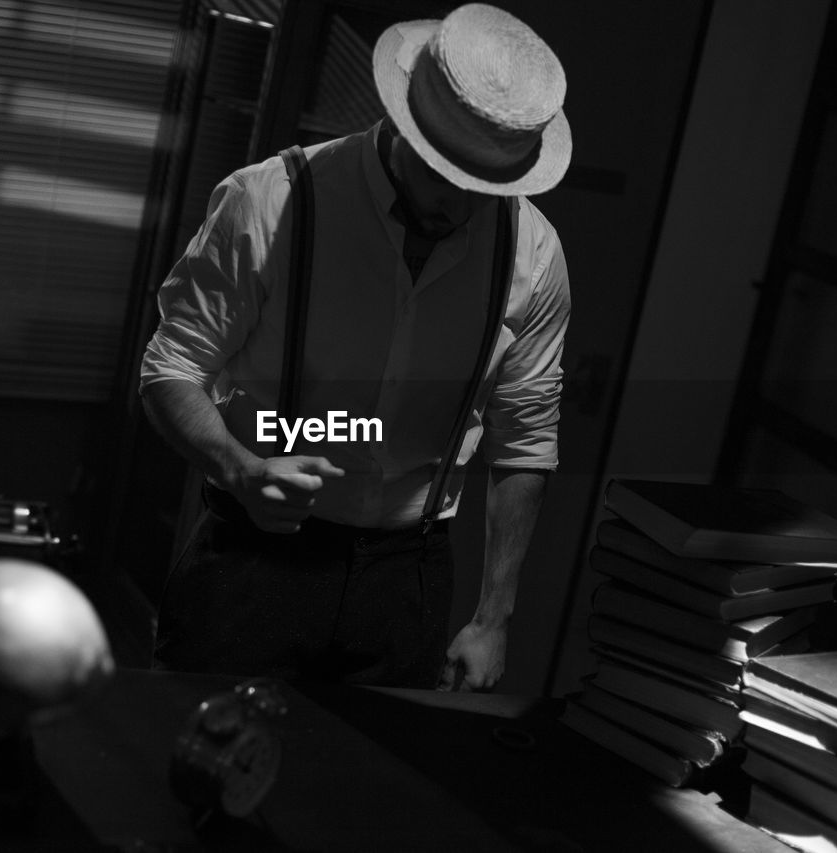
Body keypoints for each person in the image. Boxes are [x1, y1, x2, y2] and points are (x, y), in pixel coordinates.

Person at [140, 3, 571, 691]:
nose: (458, 204)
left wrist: (495, 615)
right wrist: (242, 467)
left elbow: (525, 440)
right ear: (405, 125)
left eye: (482, 189)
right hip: (257, 559)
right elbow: (171, 367)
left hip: (407, 581)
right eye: (442, 174)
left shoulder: (536, 255)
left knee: (374, 792)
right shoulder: (271, 202)